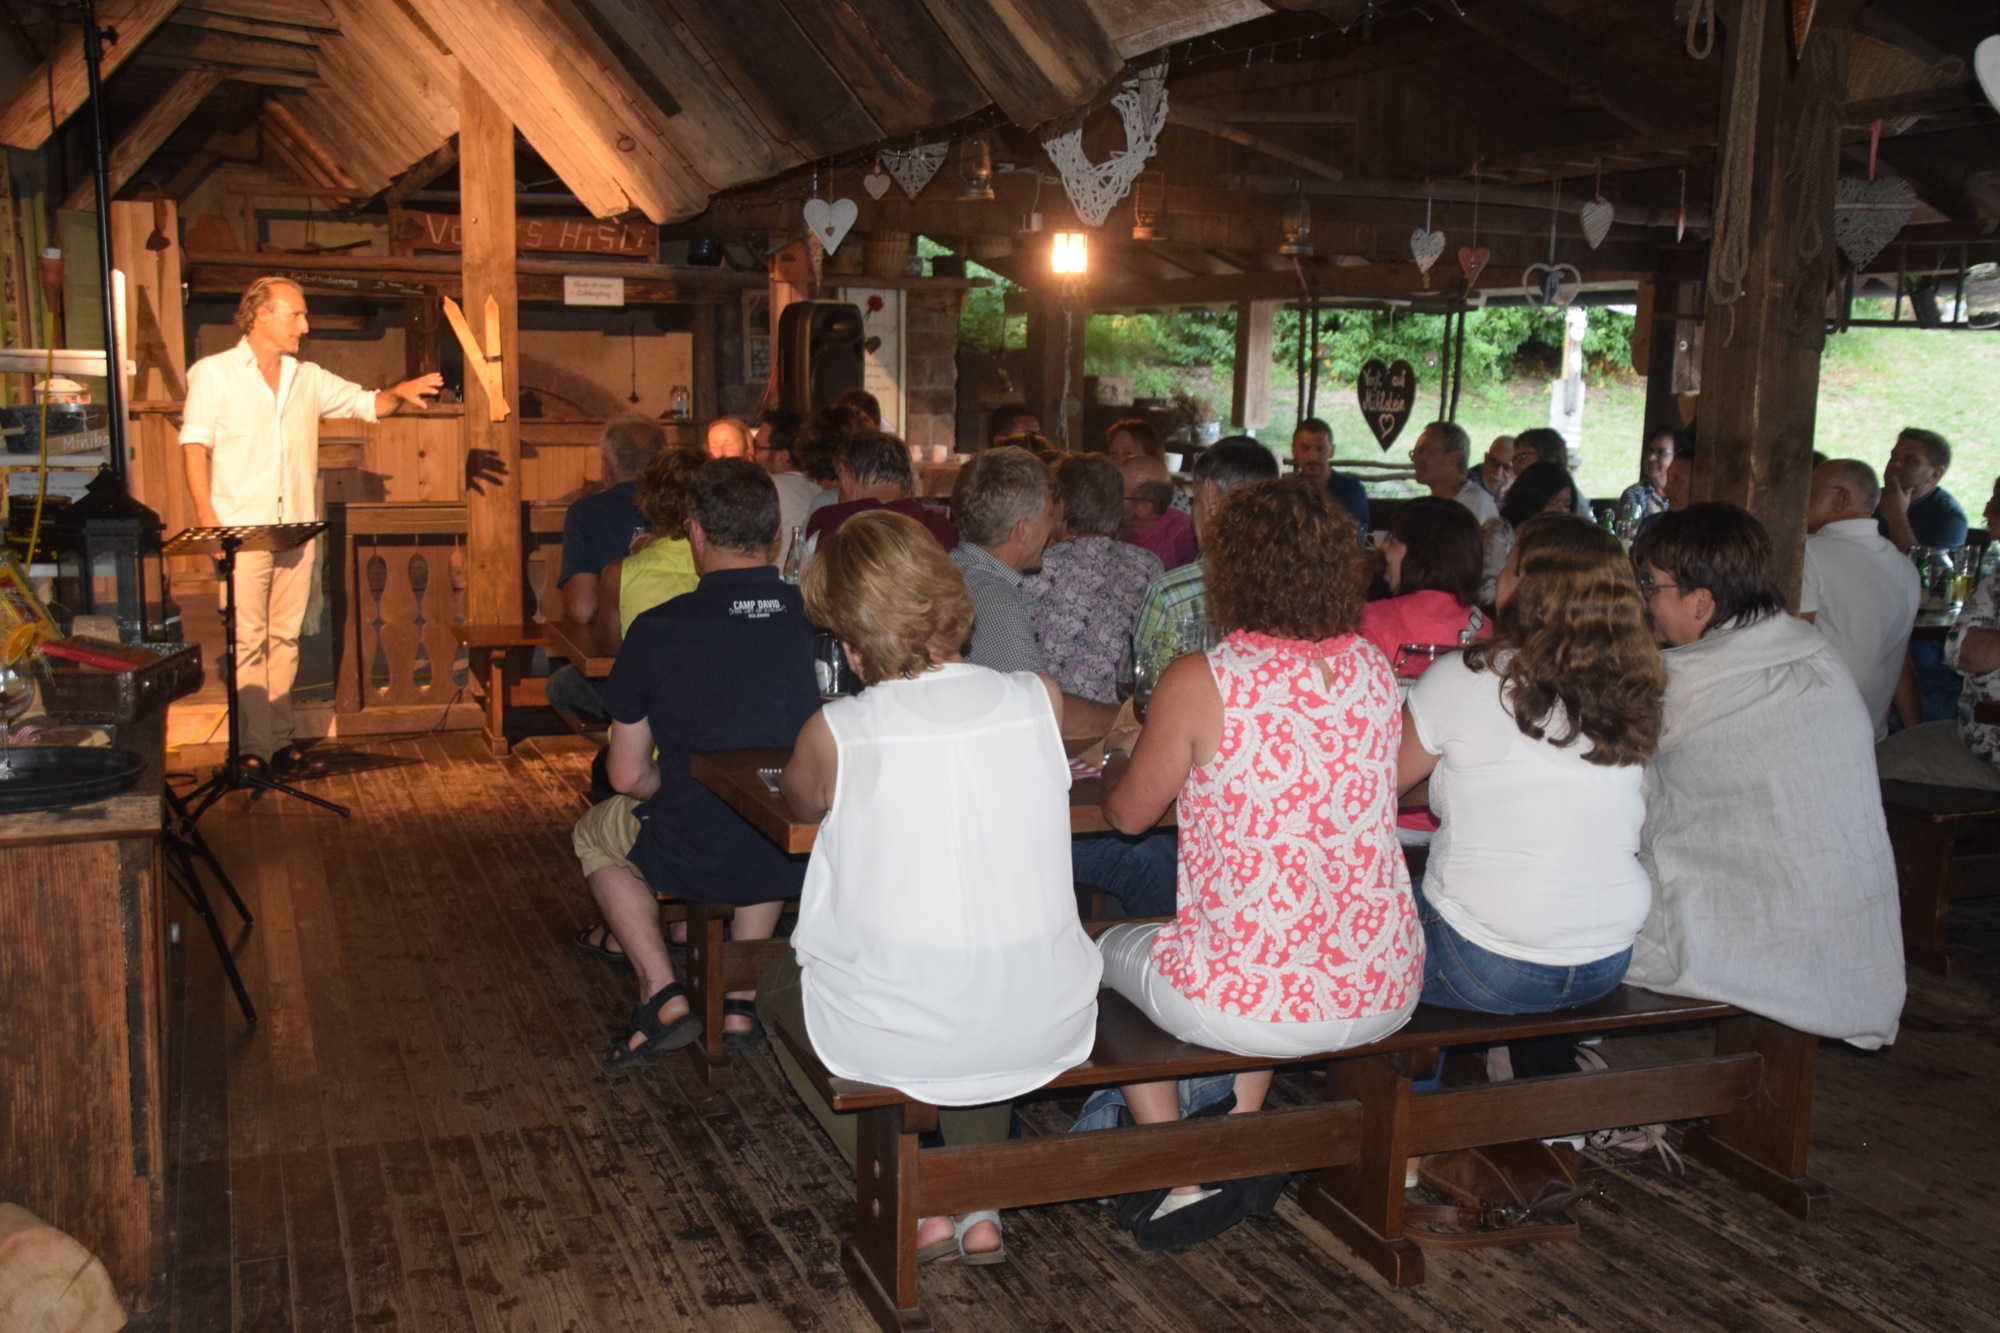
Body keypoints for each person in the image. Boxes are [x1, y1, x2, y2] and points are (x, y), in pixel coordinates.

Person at [765, 510, 1101, 1265]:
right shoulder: (1035, 699)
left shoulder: (840, 728)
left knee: (780, 982)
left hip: (896, 1022)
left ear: (852, 644)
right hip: (1044, 1011)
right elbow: (1101, 727)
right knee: (987, 967)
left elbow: (797, 802)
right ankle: (978, 1204)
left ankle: (915, 1192)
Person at [1094, 477, 1422, 1247]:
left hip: (1250, 997)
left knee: (1094, 948)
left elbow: (1129, 815)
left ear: (1231, 567)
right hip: (1383, 979)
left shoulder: (1202, 677)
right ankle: (1240, 1135)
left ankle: (1177, 1173)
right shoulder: (1374, 671)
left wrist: (1116, 759)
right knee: (1277, 931)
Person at [570, 459, 820, 1068]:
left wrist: (678, 785)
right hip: (802, 853)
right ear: (780, 536)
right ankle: (738, 997)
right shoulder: (817, 620)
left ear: (696, 535)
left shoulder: (657, 631)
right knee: (765, 802)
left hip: (694, 851)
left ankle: (661, 992)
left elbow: (627, 775)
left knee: (593, 833)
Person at [1625, 504, 1904, 1048]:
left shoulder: (1685, 683)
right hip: (1846, 938)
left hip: (1749, 932)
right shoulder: (1815, 654)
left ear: (1701, 601)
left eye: (1650, 585)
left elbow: (1612, 795)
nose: (1643, 600)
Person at [1398, 515, 1664, 1014]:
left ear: (1530, 588)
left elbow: (1376, 786)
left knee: (1347, 917)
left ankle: (1399, 1078)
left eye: (1510, 564)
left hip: (1483, 960)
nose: (1498, 575)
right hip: (1608, 957)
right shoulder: (1628, 688)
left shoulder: (1470, 675)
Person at [180, 276, 441, 776]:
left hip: (294, 530)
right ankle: (250, 747)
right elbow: (194, 447)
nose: (305, 324)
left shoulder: (307, 378)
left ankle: (278, 742)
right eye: (296, 314)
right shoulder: (214, 374)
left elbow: (368, 404)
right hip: (242, 529)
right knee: (248, 639)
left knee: (285, 639)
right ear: (261, 315)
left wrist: (400, 392)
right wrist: (208, 522)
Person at [948, 447, 1118, 736]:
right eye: (1049, 516)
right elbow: (1038, 712)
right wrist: (1136, 717)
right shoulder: (991, 596)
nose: (1053, 530)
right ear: (1022, 531)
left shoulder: (957, 567)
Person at [1876, 476, 2000, 790]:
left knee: (1866, 763)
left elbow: (1965, 650)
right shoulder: (1994, 583)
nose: (1985, 511)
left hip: (1989, 740)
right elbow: (1963, 651)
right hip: (1973, 718)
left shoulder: (1947, 516)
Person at [1131, 438, 1280, 689]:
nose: (1192, 513)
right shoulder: (1296, 585)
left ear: (1210, 494)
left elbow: (1145, 690)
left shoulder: (1170, 595)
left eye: (1194, 499)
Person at [1023, 455, 1164, 705]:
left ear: (1060, 508)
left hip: (1057, 721)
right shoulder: (1149, 566)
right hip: (1125, 720)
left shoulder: (1038, 569)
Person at [1800, 459, 1920, 740]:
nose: (1800, 497)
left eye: (1810, 488)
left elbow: (1791, 647)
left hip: (1814, 730)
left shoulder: (1809, 555)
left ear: (1841, 498)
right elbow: (1900, 661)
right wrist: (1914, 736)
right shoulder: (1905, 568)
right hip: (1871, 734)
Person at [591, 446, 706, 655]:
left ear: (647, 503)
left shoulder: (617, 575)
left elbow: (609, 647)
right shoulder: (726, 568)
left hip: (646, 685)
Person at [1358, 496, 1488, 666]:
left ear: (1419, 556)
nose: (1383, 547)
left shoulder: (1370, 621)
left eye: (1393, 541)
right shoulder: (1486, 630)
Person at [559, 416, 665, 624]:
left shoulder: (585, 513)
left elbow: (583, 609)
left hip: (614, 647)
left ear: (606, 467)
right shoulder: (681, 506)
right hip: (681, 642)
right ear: (663, 463)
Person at [802, 429, 957, 552]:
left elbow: (805, 588)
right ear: (910, 484)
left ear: (846, 478)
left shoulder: (826, 535)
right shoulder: (941, 533)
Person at [1480, 459, 1580, 606]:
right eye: (1552, 503)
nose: (1560, 511)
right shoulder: (1502, 531)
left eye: (1566, 505)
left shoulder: (1567, 542)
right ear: (1531, 500)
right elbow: (1487, 594)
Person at [1877, 427, 1968, 553]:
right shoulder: (1869, 498)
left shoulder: (1949, 517)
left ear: (1935, 475)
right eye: (1894, 456)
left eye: (1910, 460)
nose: (1895, 464)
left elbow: (1931, 570)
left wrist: (1896, 517)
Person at [754, 408, 816, 568]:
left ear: (782, 457)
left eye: (758, 448)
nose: (752, 454)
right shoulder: (820, 487)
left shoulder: (766, 488)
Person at [1117, 454, 1198, 570]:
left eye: (1119, 492)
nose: (1109, 495)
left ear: (1144, 508)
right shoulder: (1108, 522)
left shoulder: (1184, 536)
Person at [1409, 421, 1497, 524]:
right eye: (1414, 452)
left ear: (1453, 458)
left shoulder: (1474, 504)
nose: (1415, 458)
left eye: (1424, 451)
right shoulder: (1432, 506)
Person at [1292, 417, 1370, 532]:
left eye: (1320, 449)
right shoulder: (1288, 491)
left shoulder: (1351, 491)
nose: (1312, 456)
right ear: (1294, 450)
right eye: (1305, 448)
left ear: (1332, 451)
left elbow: (1355, 536)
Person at [1513, 427, 1591, 518]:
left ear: (1549, 457)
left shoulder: (1574, 502)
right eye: (1513, 460)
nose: (1515, 467)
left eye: (1522, 457)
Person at [1619, 429, 1678, 522]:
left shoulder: (1684, 493)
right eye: (1650, 451)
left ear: (1676, 457)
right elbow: (1630, 532)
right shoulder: (1635, 494)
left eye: (1661, 452)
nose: (1651, 458)